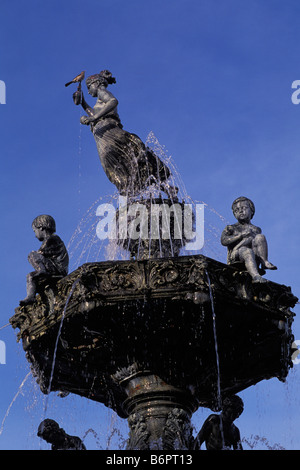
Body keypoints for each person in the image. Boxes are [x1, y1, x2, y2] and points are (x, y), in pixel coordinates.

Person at [74, 70, 177, 198]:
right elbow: (94, 115)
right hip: (103, 135)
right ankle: (159, 188)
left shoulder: (102, 92)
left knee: (114, 164)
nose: (89, 91)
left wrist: (93, 119)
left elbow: (113, 101)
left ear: (97, 83)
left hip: (110, 133)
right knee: (124, 163)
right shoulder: (98, 102)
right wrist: (83, 102)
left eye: (89, 87)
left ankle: (130, 192)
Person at [221, 197, 277, 283]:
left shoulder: (256, 229)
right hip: (236, 255)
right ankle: (256, 276)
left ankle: (264, 262)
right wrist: (239, 236)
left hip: (253, 254)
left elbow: (255, 242)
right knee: (247, 251)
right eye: (236, 210)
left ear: (252, 211)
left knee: (260, 237)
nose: (240, 211)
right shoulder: (231, 228)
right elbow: (224, 241)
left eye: (244, 208)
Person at [19, 215, 69, 306]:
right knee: (30, 276)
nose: (35, 235)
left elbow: (42, 253)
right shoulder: (50, 240)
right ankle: (31, 297)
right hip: (53, 269)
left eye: (35, 231)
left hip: (58, 269)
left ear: (41, 227)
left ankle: (42, 271)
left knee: (32, 255)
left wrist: (38, 254)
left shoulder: (53, 238)